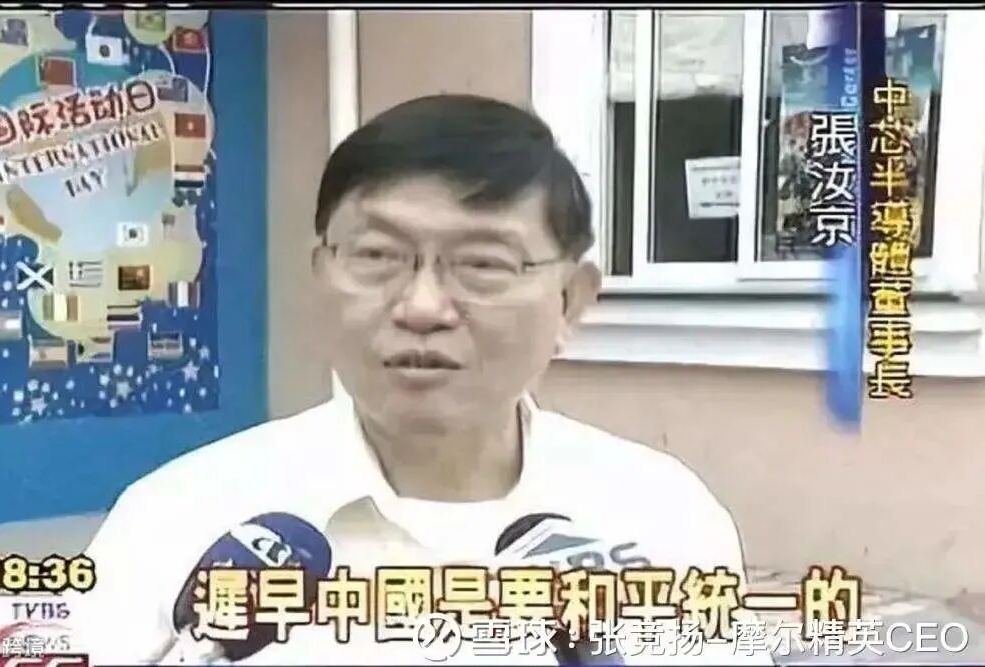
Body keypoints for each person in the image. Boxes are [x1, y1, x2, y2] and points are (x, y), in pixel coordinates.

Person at [75, 94, 771, 665]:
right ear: (321, 276)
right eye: (377, 255)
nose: (422, 307)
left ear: (570, 301)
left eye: (484, 263)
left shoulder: (664, 515)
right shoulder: (176, 518)